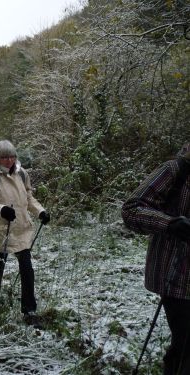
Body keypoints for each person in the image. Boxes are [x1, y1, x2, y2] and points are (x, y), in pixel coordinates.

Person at [122, 142, 190, 375]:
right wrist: (170, 223)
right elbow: (132, 209)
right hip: (178, 277)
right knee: (185, 348)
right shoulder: (175, 170)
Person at [0, 140, 50, 327]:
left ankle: (29, 310)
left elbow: (29, 198)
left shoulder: (22, 174)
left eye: (12, 156)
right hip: (1, 231)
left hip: (21, 229)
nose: (9, 160)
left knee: (27, 270)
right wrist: (2, 209)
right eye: (4, 157)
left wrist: (40, 211)